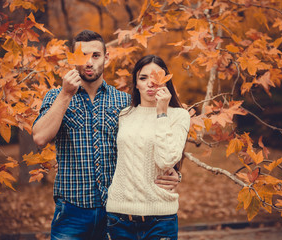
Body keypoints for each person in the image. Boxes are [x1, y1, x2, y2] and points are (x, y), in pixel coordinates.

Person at [32, 30, 180, 240]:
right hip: (72, 212)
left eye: (95, 55)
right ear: (72, 59)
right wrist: (66, 94)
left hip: (116, 213)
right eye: (82, 56)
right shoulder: (57, 96)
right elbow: (39, 137)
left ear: (106, 58)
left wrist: (175, 172)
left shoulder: (124, 102)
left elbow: (151, 141)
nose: (89, 62)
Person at [106, 55, 190, 240]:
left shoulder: (179, 115)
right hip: (119, 217)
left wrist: (161, 112)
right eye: (143, 78)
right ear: (136, 84)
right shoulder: (124, 115)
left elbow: (166, 160)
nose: (150, 83)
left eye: (156, 77)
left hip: (160, 219)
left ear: (166, 80)